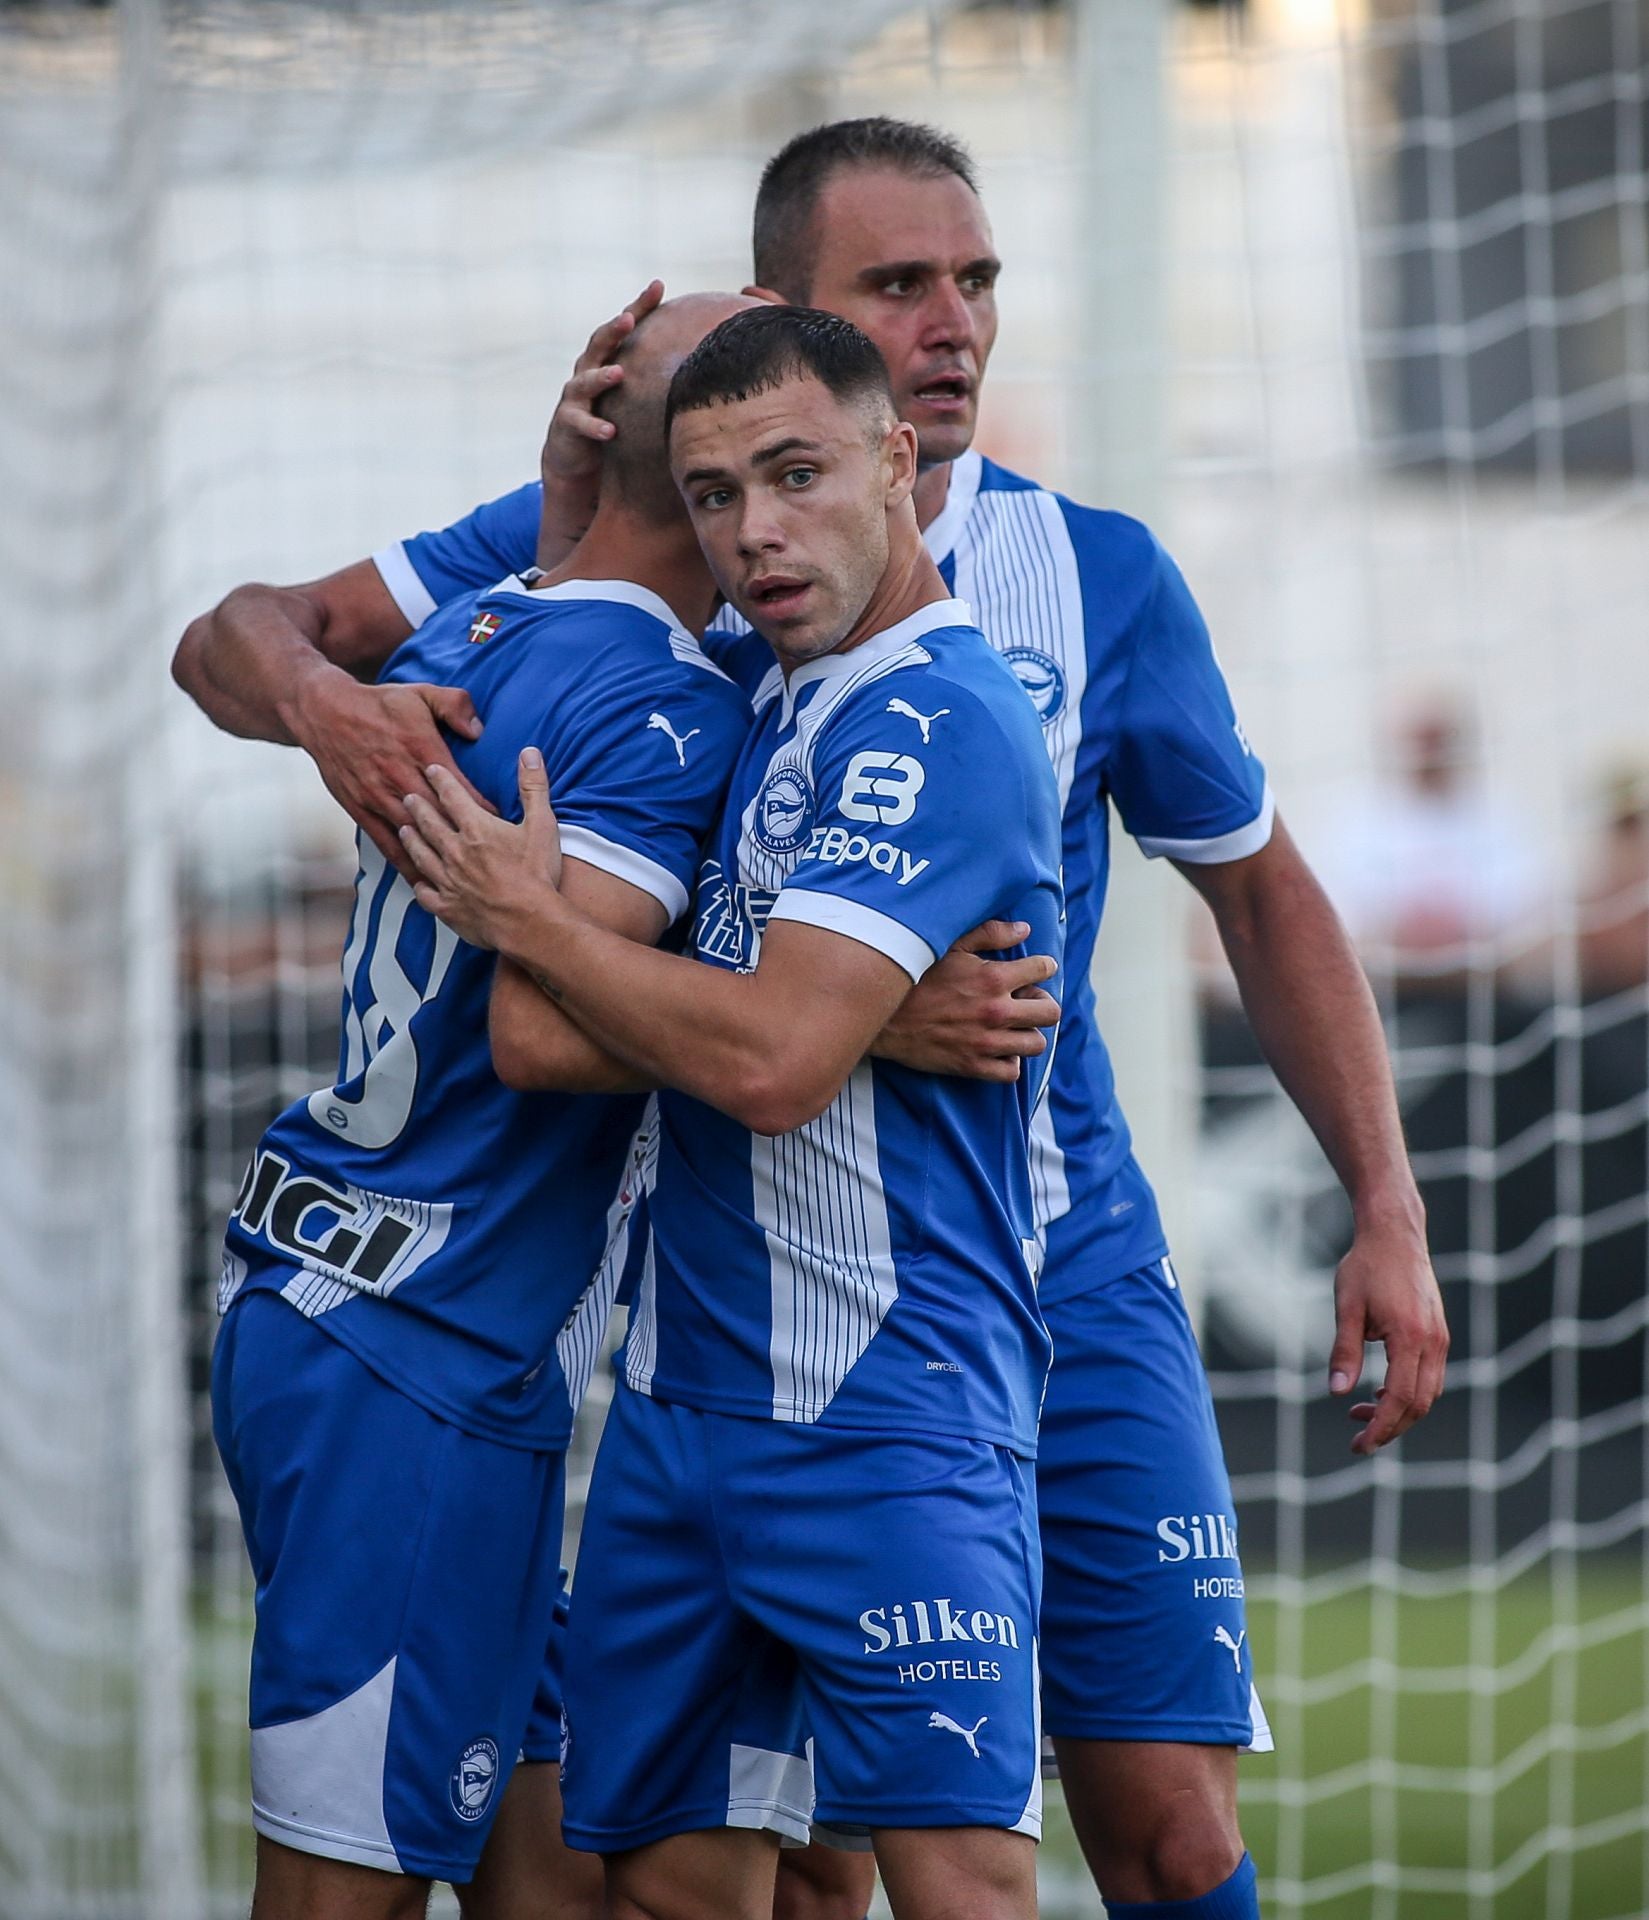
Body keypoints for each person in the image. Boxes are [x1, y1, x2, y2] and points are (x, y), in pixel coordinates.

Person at [176, 117, 1449, 1919]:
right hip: (729, 1283)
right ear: (783, 326)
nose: (951, 326)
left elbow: (1260, 886)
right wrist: (331, 704)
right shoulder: (675, 529)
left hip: (1043, 1265)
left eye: (976, 282)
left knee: (1155, 1814)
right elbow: (241, 635)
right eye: (897, 285)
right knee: (744, 1867)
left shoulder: (1088, 577)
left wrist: (1386, 1209)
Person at [398, 303, 1065, 1920]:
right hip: (683, 1410)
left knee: (955, 1880)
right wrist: (856, 1021)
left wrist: (537, 918)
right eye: (712, 494)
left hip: (886, 1415)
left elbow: (765, 1068)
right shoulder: (755, 699)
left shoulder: (934, 718)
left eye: (795, 474)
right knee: (667, 1890)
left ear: (898, 462)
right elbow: (568, 1040)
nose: (754, 531)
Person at [200, 293, 762, 1920]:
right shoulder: (672, 709)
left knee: (554, 1884)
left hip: (338, 1291)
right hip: (420, 1353)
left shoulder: (473, 620)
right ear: (708, 475)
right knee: (339, 1892)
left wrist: (317, 694)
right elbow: (540, 1023)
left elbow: (233, 632)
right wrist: (852, 1017)